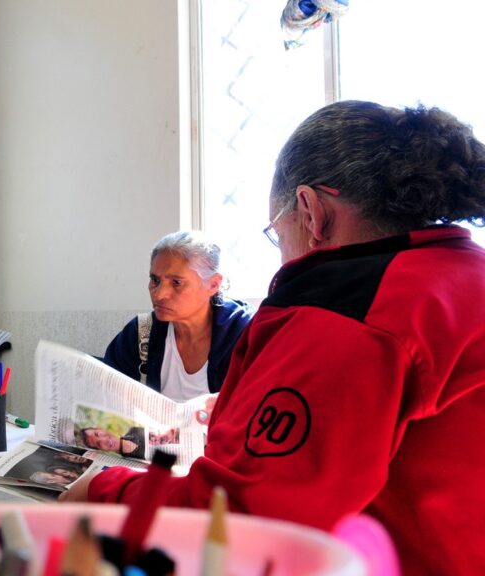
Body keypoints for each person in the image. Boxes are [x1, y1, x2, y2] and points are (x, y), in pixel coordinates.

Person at [62, 101, 485, 574]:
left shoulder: (345, 312)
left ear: (311, 210)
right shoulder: (463, 276)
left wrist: (103, 489)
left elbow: (244, 520)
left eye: (276, 233)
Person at [102, 231, 253, 400]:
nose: (159, 295)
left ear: (213, 284)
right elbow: (107, 399)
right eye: (155, 280)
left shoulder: (246, 335)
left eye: (177, 282)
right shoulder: (141, 334)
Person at [79, 427, 147, 459]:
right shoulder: (127, 462)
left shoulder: (136, 430)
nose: (104, 440)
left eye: (98, 434)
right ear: (101, 450)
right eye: (98, 444)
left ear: (101, 429)